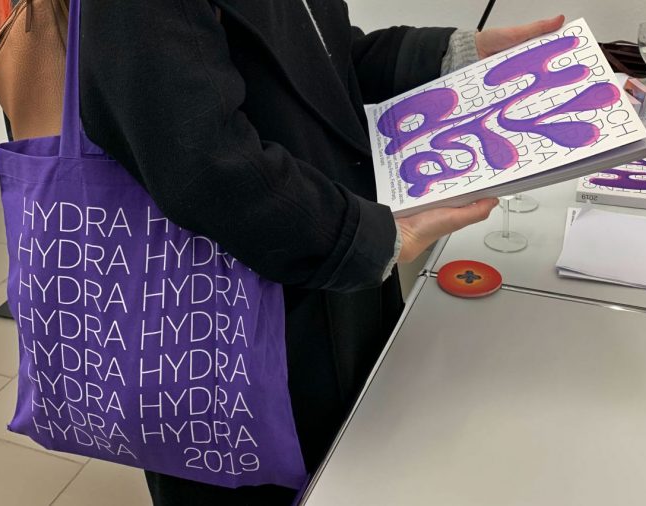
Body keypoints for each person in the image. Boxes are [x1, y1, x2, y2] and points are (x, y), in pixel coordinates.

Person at [78, 2, 563, 504]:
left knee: (355, 464)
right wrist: (369, 238)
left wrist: (461, 51)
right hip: (228, 315)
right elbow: (198, 161)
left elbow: (328, 62)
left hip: (331, 264)